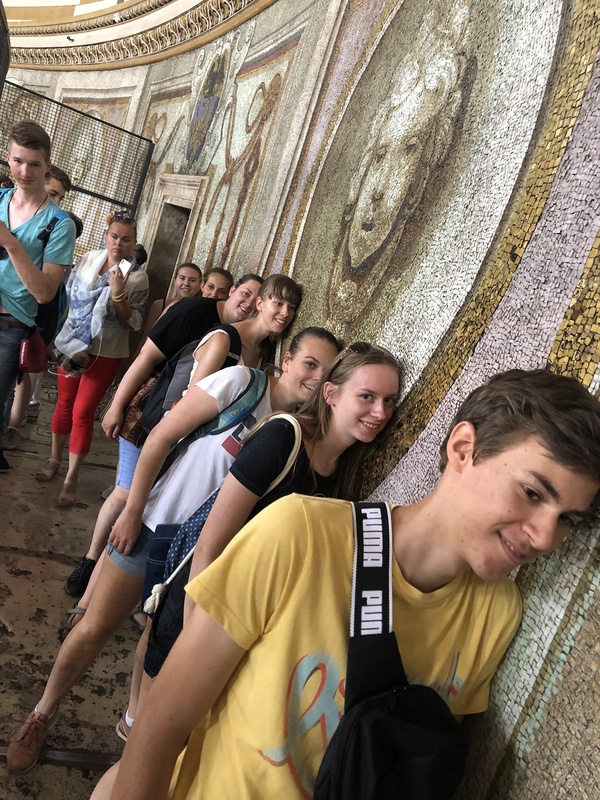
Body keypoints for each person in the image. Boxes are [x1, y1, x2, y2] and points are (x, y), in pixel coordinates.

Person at [103, 368, 600, 800]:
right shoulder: (300, 534)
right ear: (463, 448)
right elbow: (160, 727)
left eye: (567, 521)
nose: (545, 537)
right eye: (532, 492)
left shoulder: (497, 614)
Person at [4, 328, 343, 776]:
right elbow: (162, 435)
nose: (315, 378)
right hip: (153, 527)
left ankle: (132, 721)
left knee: (155, 637)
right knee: (95, 626)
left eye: (325, 371)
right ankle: (41, 714)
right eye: (309, 364)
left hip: (201, 558)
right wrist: (132, 510)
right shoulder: (241, 383)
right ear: (287, 361)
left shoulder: (302, 433)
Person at [63, 274, 263, 599]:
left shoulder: (249, 343)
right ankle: (90, 560)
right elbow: (147, 356)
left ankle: (113, 579)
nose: (248, 302)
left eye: (255, 299)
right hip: (149, 413)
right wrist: (116, 405)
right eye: (245, 293)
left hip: (181, 433)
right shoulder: (193, 312)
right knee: (126, 494)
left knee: (142, 499)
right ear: (233, 292)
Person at [34, 210, 149, 506]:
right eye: (114, 236)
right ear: (106, 236)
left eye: (126, 239)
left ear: (134, 243)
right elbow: (68, 298)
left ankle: (72, 477)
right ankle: (54, 458)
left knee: (83, 412)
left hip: (105, 352)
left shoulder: (137, 277)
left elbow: (133, 323)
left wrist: (119, 294)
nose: (118, 243)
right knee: (63, 404)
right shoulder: (89, 259)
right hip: (72, 345)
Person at [0, 120, 76, 473]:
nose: (24, 171)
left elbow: (45, 292)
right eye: (18, 161)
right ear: (8, 158)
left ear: (47, 165)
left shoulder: (59, 224)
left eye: (33, 164)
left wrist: (11, 243)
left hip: (10, 326)